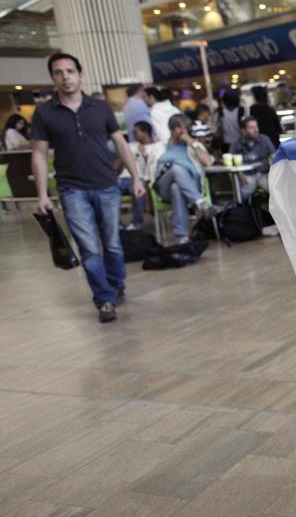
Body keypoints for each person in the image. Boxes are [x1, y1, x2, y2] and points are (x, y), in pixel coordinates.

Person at [31, 52, 146, 323]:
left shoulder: (100, 107)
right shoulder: (45, 113)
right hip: (72, 190)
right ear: (53, 78)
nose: (66, 77)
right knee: (90, 248)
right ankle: (104, 299)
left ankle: (116, 285)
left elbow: (120, 143)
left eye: (70, 71)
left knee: (113, 244)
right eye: (59, 72)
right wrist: (42, 194)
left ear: (80, 75)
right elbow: (38, 154)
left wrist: (136, 177)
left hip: (107, 184)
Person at [155, 114, 215, 243]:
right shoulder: (160, 147)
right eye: (179, 128)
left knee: (176, 188)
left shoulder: (194, 145)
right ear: (171, 129)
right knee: (176, 169)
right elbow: (151, 172)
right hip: (163, 185)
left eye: (185, 128)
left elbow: (208, 162)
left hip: (190, 185)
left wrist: (192, 143)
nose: (183, 131)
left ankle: (182, 237)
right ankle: (200, 203)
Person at [229, 115, 275, 197]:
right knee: (241, 195)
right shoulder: (236, 144)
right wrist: (239, 174)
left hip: (263, 174)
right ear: (243, 131)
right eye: (251, 128)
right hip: (247, 176)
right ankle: (243, 208)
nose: (256, 130)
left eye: (256, 127)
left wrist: (272, 172)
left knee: (276, 192)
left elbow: (274, 156)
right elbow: (231, 161)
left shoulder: (264, 140)